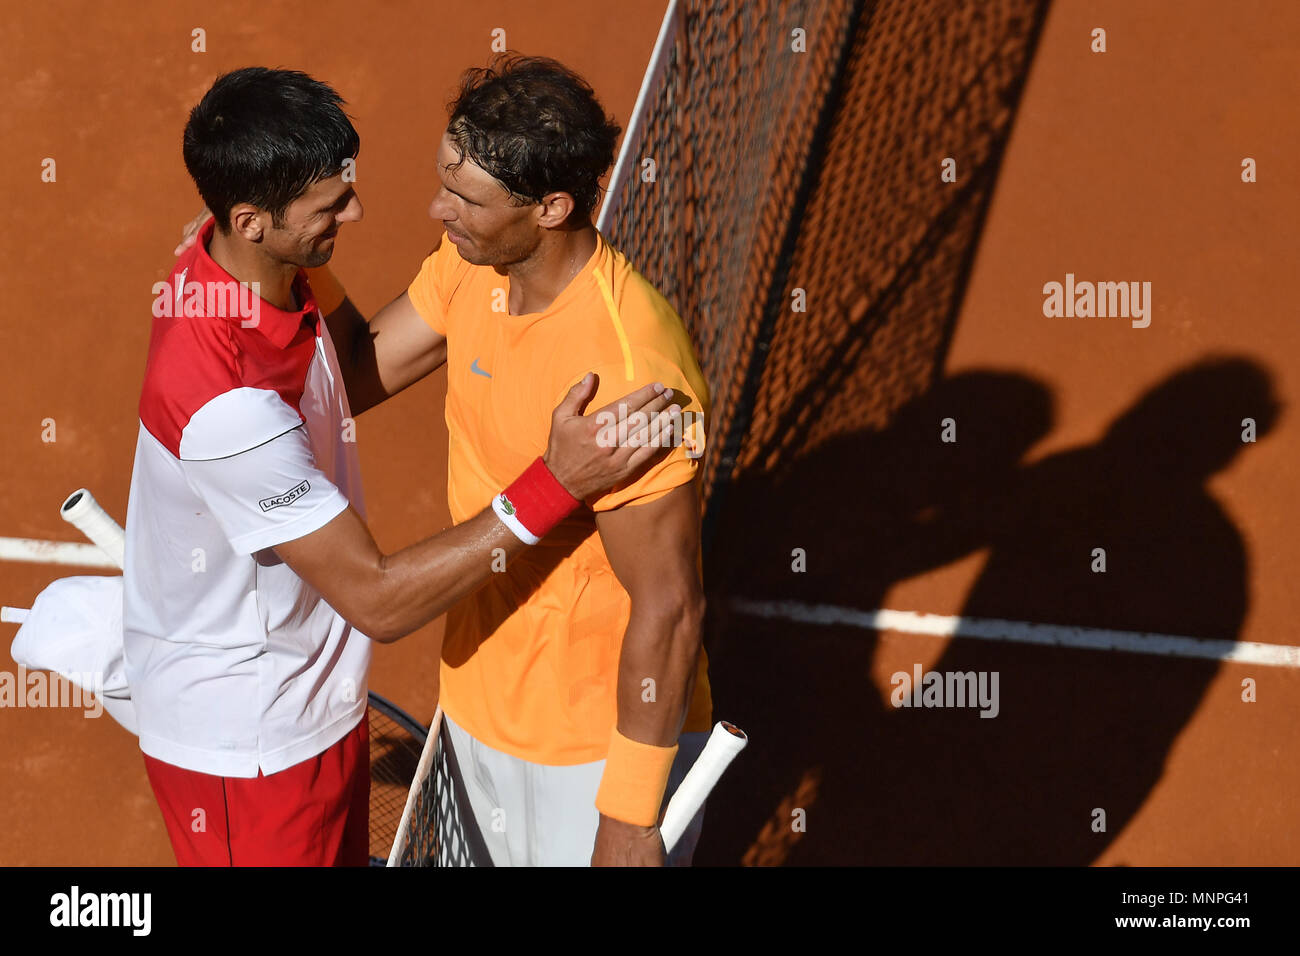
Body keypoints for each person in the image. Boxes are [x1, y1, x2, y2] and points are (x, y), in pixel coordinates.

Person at [128, 66, 680, 867]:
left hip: (321, 708)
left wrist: (297, 258)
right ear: (249, 220)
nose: (361, 211)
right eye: (329, 207)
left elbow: (343, 368)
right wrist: (553, 486)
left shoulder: (251, 274)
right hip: (251, 747)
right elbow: (380, 600)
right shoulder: (228, 409)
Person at [315, 54, 714, 866]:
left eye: (464, 198)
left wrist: (631, 816)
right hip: (477, 702)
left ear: (551, 207)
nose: (439, 208)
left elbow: (669, 608)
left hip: (590, 747)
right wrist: (280, 268)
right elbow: (351, 377)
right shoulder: (472, 269)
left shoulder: (628, 375)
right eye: (444, 183)